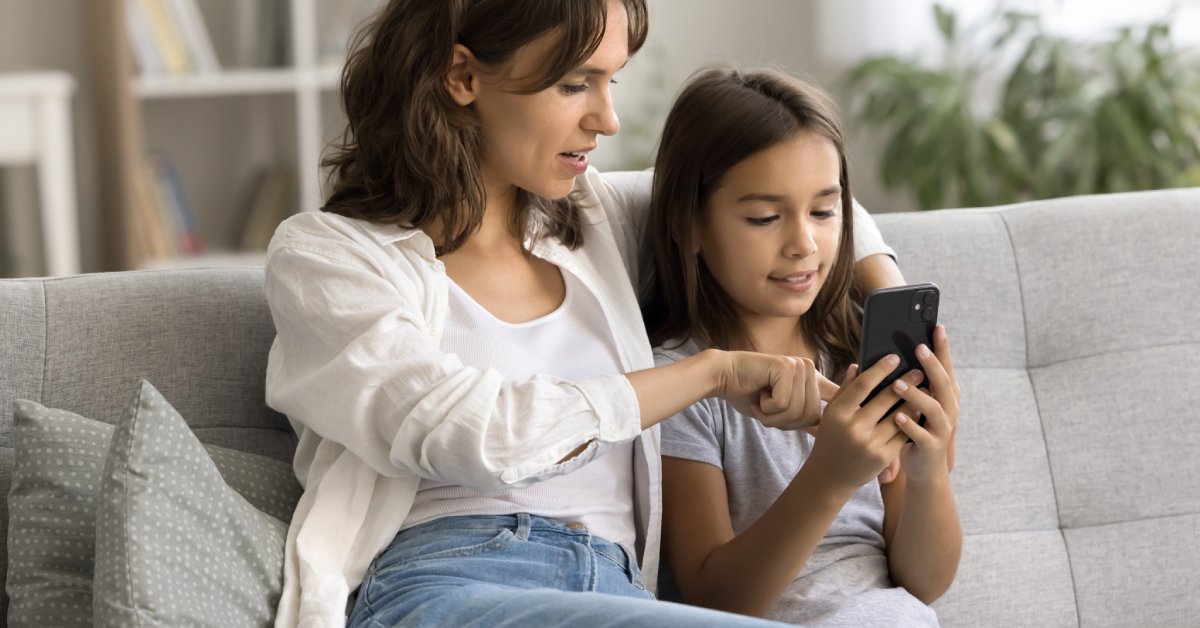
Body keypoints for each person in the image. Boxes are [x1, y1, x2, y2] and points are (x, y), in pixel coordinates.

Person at [263, 1, 905, 626]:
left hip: (617, 590)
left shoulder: (590, 219)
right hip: (448, 581)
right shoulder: (329, 258)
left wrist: (896, 312)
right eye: (575, 84)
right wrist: (709, 375)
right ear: (463, 77)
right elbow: (479, 434)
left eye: (611, 80)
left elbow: (782, 185)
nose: (608, 119)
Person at [644, 67, 962, 627]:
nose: (803, 244)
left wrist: (929, 468)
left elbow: (926, 583)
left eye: (822, 211)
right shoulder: (681, 381)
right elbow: (715, 602)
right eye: (764, 217)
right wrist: (830, 476)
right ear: (689, 224)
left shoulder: (860, 351)